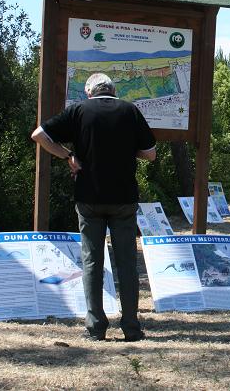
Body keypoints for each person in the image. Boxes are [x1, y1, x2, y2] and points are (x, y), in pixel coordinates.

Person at [31, 73, 157, 342]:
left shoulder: (78, 110)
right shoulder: (130, 110)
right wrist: (126, 150)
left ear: (89, 92)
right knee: (126, 264)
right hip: (124, 199)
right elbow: (150, 153)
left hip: (88, 197)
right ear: (113, 90)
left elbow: (39, 135)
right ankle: (131, 328)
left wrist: (68, 156)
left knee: (92, 262)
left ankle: (96, 328)